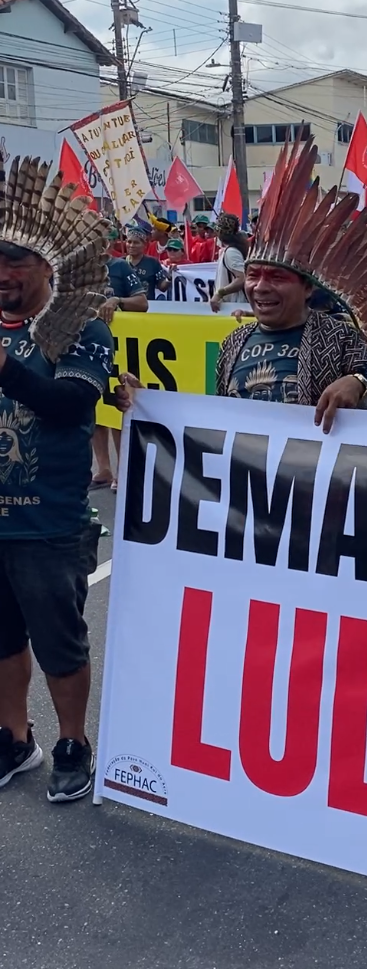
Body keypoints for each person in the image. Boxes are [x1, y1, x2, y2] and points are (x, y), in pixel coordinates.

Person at [118, 135, 367, 433]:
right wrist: (149, 406)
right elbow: (216, 424)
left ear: (307, 288)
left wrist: (359, 385)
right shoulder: (233, 343)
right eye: (253, 275)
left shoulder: (340, 337)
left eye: (277, 277)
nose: (260, 287)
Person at [0, 156, 114, 801]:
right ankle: (15, 738)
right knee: (1, 640)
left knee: (60, 644)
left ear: (47, 266)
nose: (3, 272)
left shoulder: (81, 326)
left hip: (49, 523)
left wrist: (7, 371)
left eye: (16, 260)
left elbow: (73, 404)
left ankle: (73, 741)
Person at [91, 234, 148, 490]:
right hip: (88, 346)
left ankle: (121, 471)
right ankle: (103, 468)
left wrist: (117, 301)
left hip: (119, 347)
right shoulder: (77, 268)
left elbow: (142, 303)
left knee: (116, 407)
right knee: (94, 409)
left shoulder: (120, 267)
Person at [210, 212, 248, 311]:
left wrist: (220, 294)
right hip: (231, 308)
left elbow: (241, 278)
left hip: (234, 308)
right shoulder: (230, 250)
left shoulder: (231, 252)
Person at [125, 227, 170, 300]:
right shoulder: (120, 263)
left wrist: (169, 278)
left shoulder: (153, 263)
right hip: (124, 305)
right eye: (129, 242)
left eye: (136, 243)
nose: (131, 245)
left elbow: (162, 287)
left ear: (145, 245)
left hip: (147, 305)